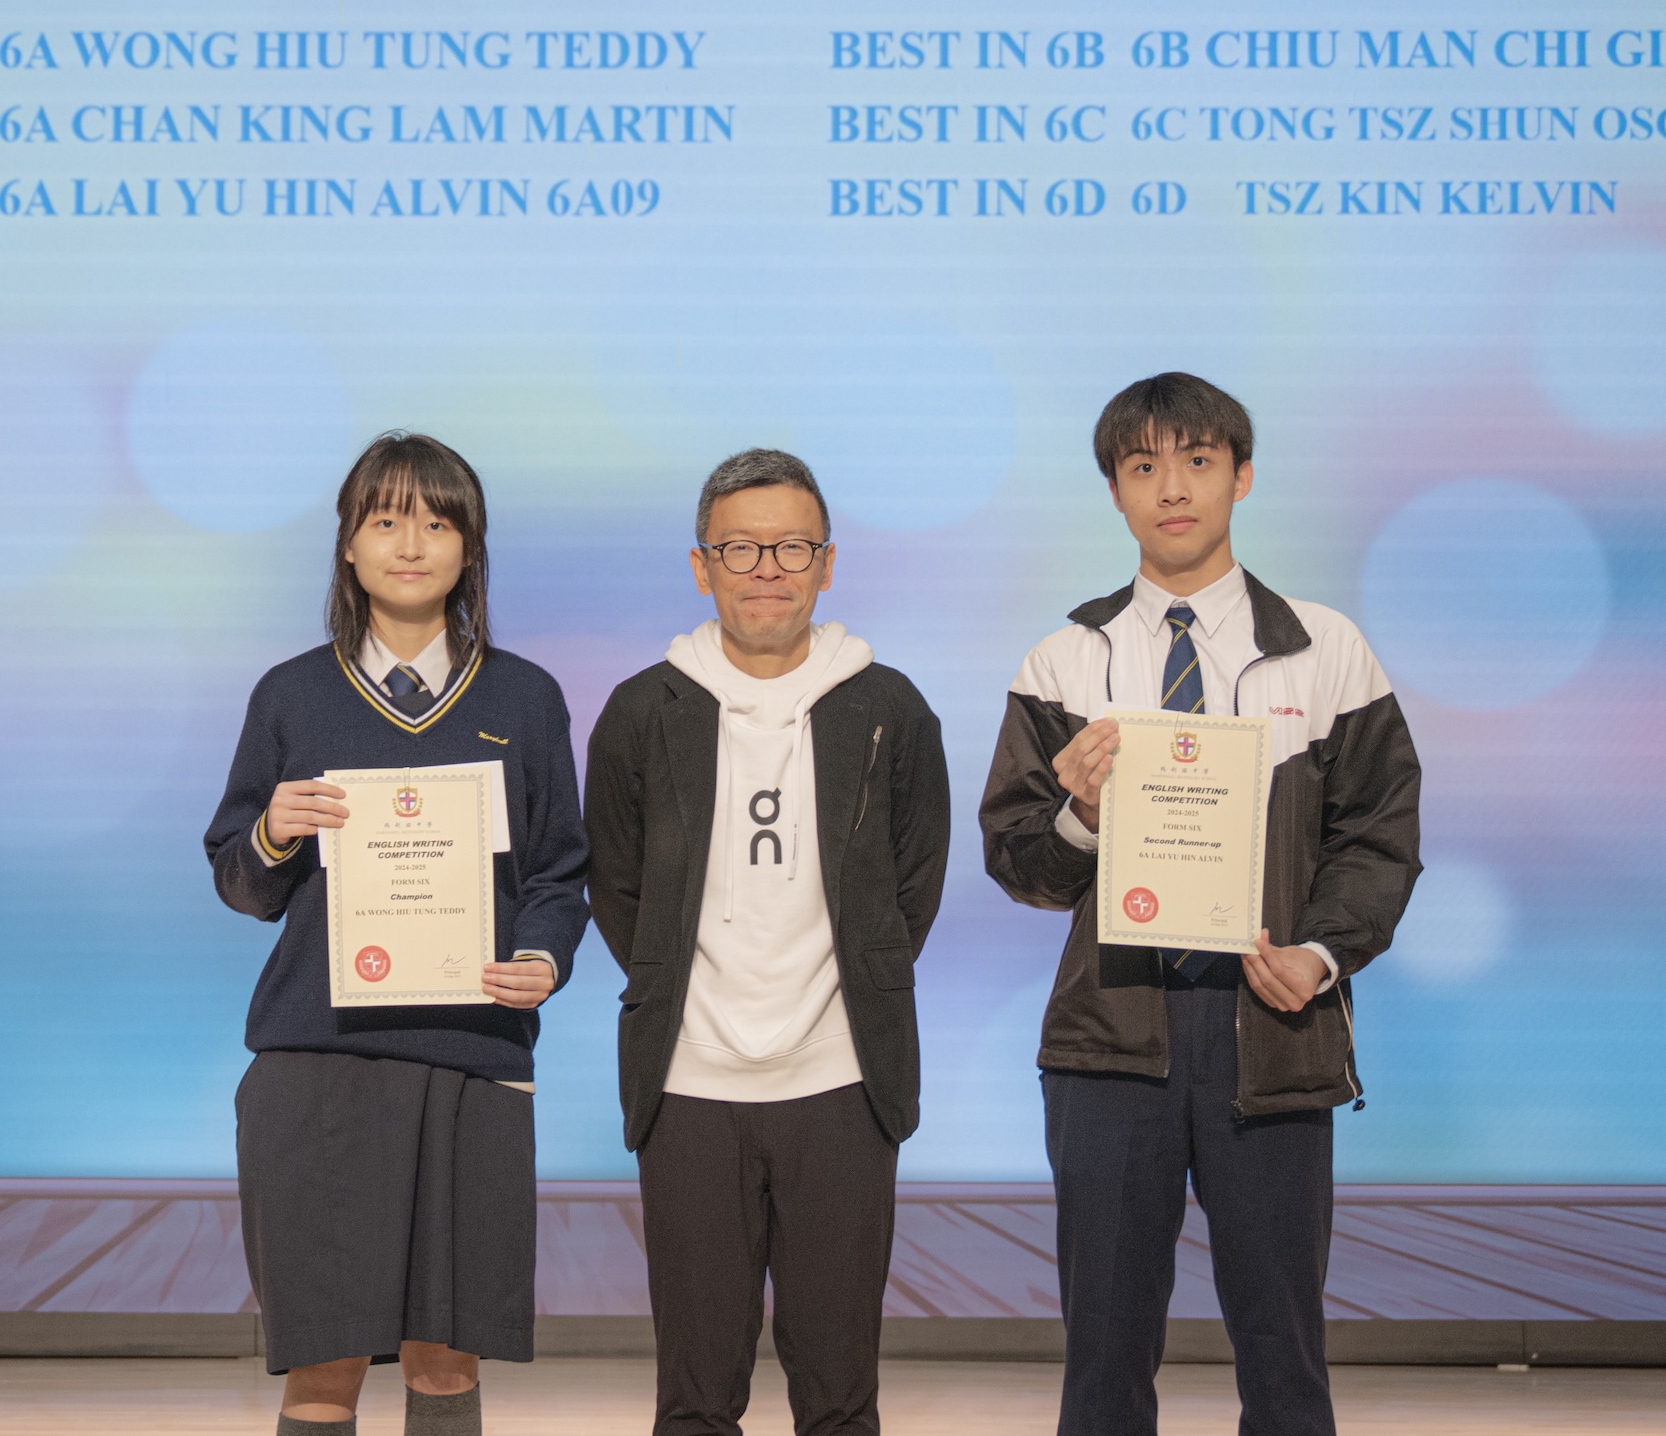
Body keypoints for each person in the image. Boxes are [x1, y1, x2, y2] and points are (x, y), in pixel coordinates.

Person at [978, 373, 1422, 1436]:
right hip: (1109, 1039)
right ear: (1114, 491)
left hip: (1271, 1029)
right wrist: (1081, 813)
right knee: (1103, 1352)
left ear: (1242, 476)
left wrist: (1321, 953)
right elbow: (1019, 862)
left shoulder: (1325, 650)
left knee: (1283, 1350)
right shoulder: (1065, 660)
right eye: (1143, 466)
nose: (1170, 488)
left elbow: (1378, 834)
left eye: (1196, 460)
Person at [205, 432, 591, 1436]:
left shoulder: (524, 698)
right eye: (385, 520)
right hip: (317, 1061)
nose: (410, 544)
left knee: (446, 1361)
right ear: (348, 543)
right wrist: (273, 830)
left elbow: (559, 873)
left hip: (472, 1056)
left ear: (470, 545)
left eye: (436, 522)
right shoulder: (290, 695)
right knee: (323, 1366)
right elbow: (241, 883)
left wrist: (542, 957)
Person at [585, 448, 951, 1436]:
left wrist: (851, 990)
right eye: (739, 548)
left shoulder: (889, 708)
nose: (766, 569)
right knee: (696, 1395)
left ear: (826, 564)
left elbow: (911, 889)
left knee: (839, 1394)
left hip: (842, 1080)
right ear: (700, 566)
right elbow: (618, 891)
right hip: (689, 1084)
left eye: (791, 547)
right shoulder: (642, 710)